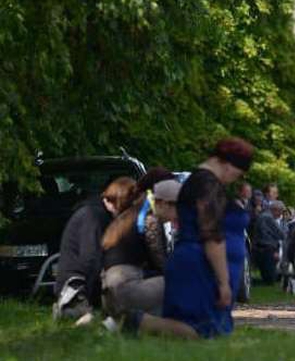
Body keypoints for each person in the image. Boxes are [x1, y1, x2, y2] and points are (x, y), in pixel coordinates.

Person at [156, 137, 254, 338]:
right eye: (238, 173)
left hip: (195, 262)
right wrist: (223, 282)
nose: (237, 178)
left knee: (199, 331)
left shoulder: (200, 182)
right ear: (228, 165)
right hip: (199, 266)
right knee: (201, 330)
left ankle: (128, 322)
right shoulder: (207, 185)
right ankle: (130, 321)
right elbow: (212, 234)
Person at [53, 176, 136, 320]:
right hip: (76, 287)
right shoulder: (92, 217)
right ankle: (72, 310)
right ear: (116, 203)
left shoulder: (98, 214)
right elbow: (90, 261)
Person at [100, 169, 178, 318]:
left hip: (109, 293)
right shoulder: (149, 219)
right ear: (162, 201)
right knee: (179, 282)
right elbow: (160, 263)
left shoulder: (127, 215)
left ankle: (125, 323)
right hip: (127, 289)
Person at [252, 200, 286, 285]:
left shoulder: (264, 216)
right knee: (270, 280)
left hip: (263, 249)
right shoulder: (268, 218)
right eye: (281, 212)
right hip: (266, 250)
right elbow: (281, 234)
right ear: (275, 210)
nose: (281, 215)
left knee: (269, 277)